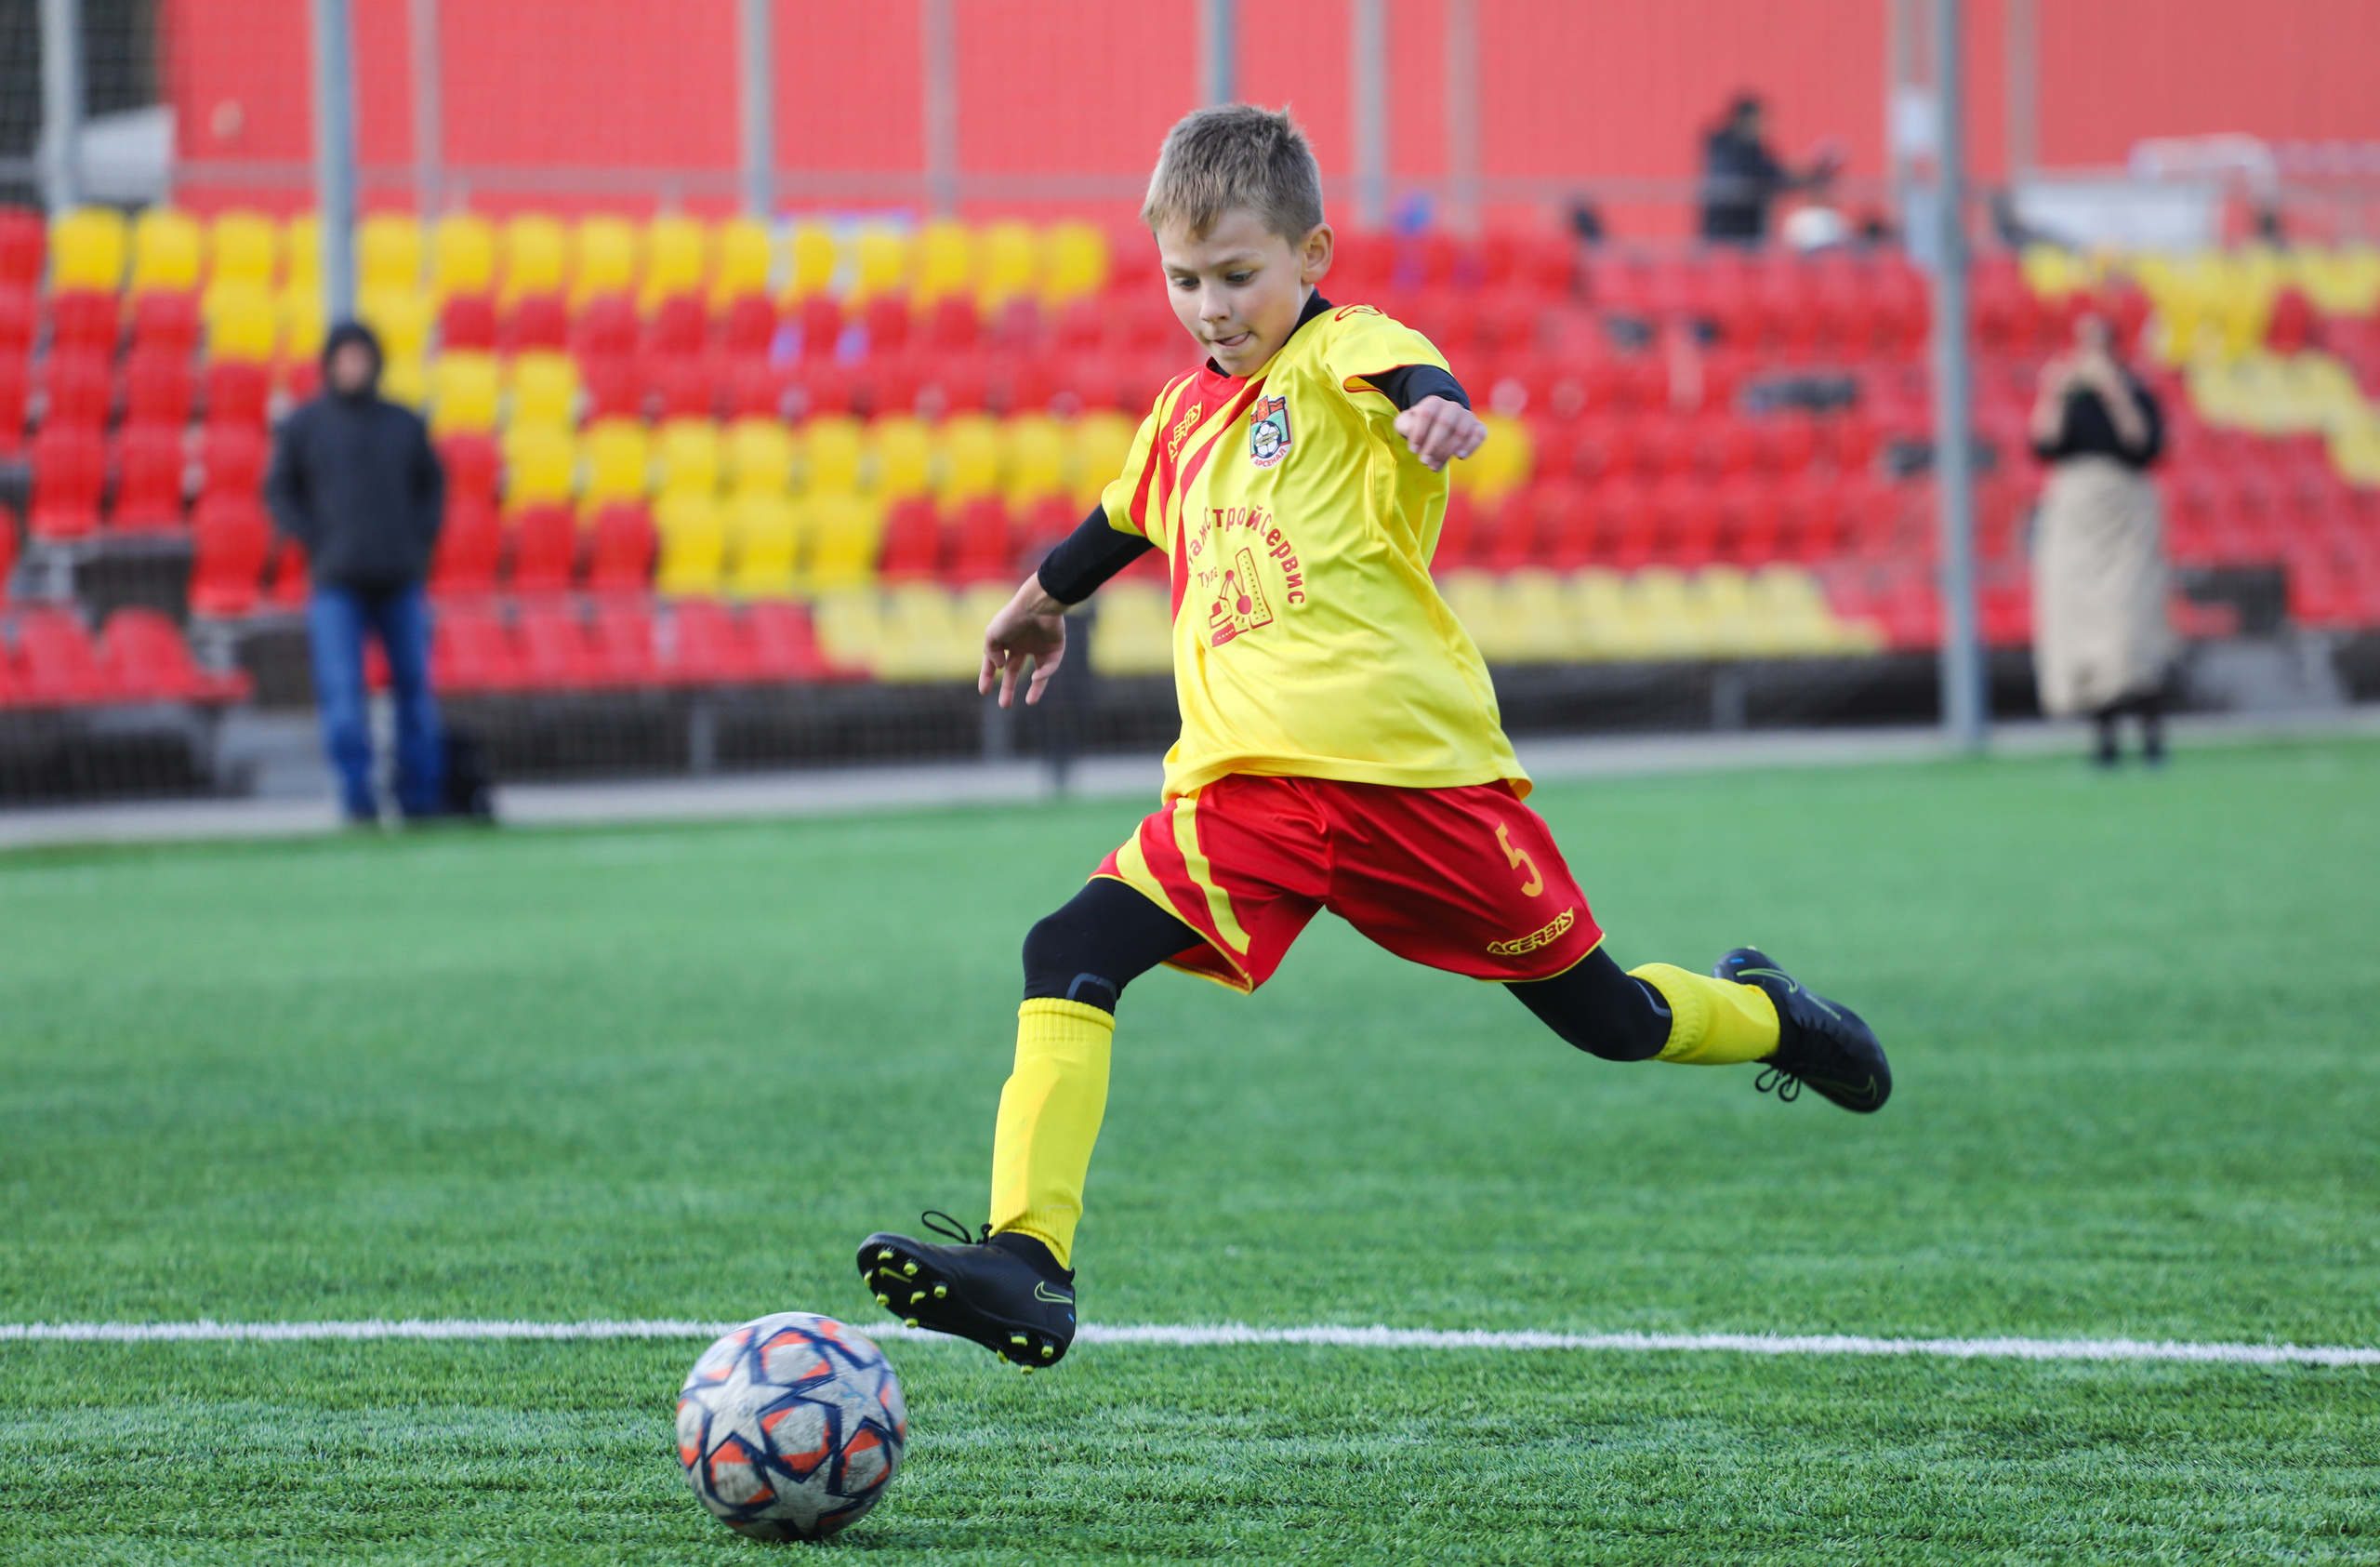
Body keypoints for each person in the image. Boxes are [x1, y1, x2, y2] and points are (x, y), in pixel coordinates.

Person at [856, 105, 1892, 1372]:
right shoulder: (1179, 421)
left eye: (1239, 275)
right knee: (1070, 946)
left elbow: (1413, 373)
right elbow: (1120, 517)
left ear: (1310, 252)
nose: (1212, 306)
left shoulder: (1346, 353)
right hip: (1251, 795)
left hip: (1419, 784)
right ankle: (1029, 1260)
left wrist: (1441, 411)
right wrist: (1040, 599)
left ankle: (1771, 1018)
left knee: (1608, 1020)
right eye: (1185, 280)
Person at [264, 321, 448, 823]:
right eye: (344, 358)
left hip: (399, 581)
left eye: (360, 358)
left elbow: (433, 489)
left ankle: (420, 800)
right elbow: (280, 492)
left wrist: (416, 541)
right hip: (336, 582)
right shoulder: (306, 426)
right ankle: (357, 801)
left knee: (414, 691)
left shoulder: (403, 423)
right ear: (329, 364)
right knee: (343, 696)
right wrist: (315, 540)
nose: (353, 367)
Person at [2027, 311, 2174, 765]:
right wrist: (2052, 391)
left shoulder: (2137, 394)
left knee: (2131, 624)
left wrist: (2116, 395)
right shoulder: (2069, 397)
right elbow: (2042, 445)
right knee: (2082, 627)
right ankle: (2103, 737)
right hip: (2076, 514)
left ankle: (2150, 734)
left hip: (2124, 512)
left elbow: (2144, 445)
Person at [1698, 92, 1841, 246]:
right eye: (1759, 121)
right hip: (1727, 231)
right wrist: (1806, 176)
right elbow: (1767, 174)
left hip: (1743, 231)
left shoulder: (1743, 149)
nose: (1762, 127)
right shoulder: (1731, 150)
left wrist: (1805, 176)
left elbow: (1771, 173)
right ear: (1746, 120)